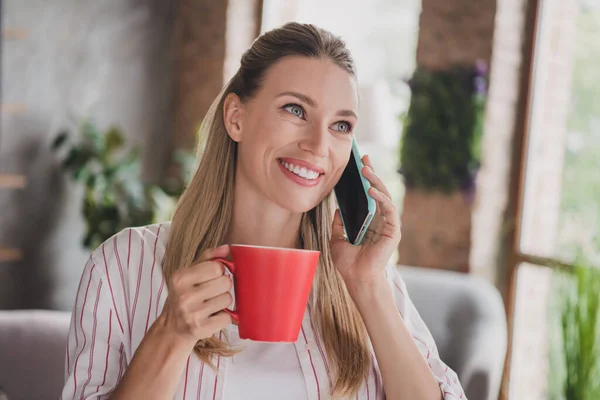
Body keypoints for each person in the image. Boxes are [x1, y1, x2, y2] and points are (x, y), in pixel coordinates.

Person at [60, 22, 466, 400]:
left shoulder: (369, 279)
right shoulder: (124, 266)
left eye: (341, 126)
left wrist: (368, 287)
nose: (318, 145)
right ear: (236, 118)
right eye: (295, 110)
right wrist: (171, 333)